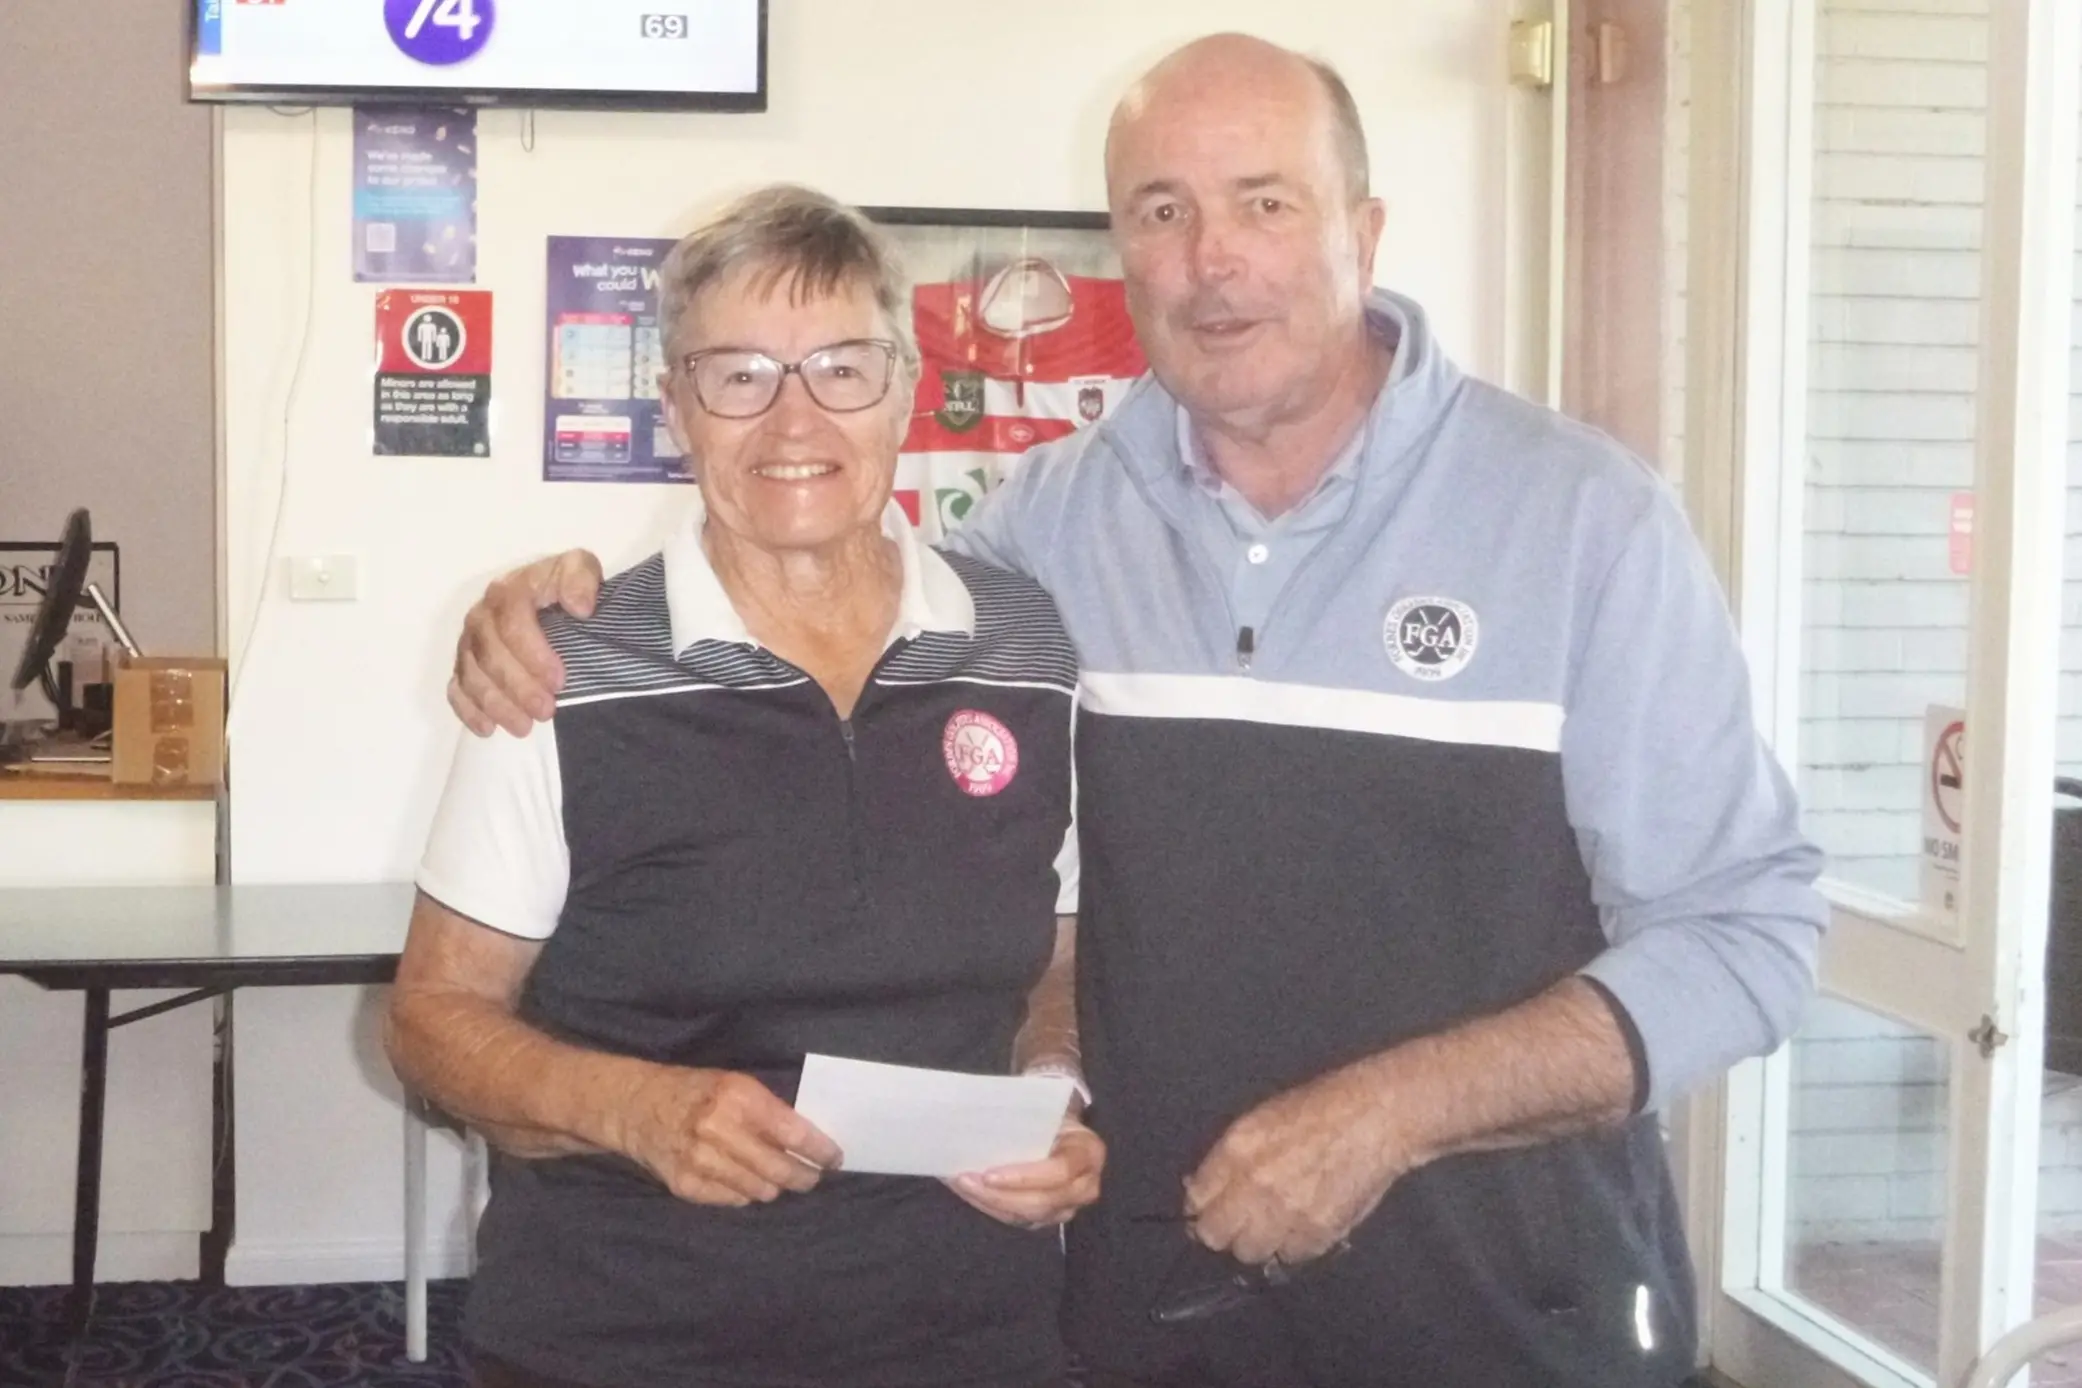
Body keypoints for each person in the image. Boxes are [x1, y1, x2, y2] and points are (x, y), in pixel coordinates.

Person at [445, 35, 1826, 1388]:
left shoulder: (1585, 521)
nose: (1210, 258)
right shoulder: (1042, 543)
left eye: (1262, 202)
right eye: (1160, 212)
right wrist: (552, 607)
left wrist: (1393, 1116)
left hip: (1502, 1312)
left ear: (1366, 226)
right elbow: (825, 570)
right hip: (1150, 1309)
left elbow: (1749, 935)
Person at [388, 186, 1103, 1388]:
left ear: (908, 388)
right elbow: (429, 1021)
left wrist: (1050, 1092)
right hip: (629, 1335)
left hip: (966, 1329)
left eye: (842, 367)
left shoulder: (1028, 644)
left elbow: (1060, 953)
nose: (793, 419)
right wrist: (635, 1108)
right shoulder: (563, 663)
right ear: (675, 406)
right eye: (738, 375)